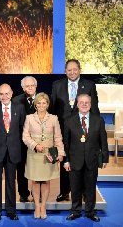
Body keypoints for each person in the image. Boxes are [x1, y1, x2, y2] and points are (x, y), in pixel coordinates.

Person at [50, 59, 100, 202]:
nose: (72, 72)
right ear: (65, 71)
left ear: (80, 70)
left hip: (83, 129)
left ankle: (84, 192)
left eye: (75, 69)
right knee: (65, 158)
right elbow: (53, 109)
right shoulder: (57, 85)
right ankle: (64, 191)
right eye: (69, 70)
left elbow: (94, 108)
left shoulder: (89, 85)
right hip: (63, 130)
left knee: (82, 160)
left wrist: (94, 129)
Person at [64, 94, 108, 222]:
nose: (84, 104)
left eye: (87, 102)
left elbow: (103, 141)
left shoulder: (98, 120)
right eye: (81, 102)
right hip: (74, 160)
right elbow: (66, 143)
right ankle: (75, 211)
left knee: (90, 188)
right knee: (75, 187)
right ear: (77, 104)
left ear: (90, 104)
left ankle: (90, 212)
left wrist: (104, 158)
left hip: (92, 160)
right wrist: (66, 160)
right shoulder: (69, 121)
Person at [22, 92, 65, 219]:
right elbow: (25, 136)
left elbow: (58, 138)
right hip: (34, 154)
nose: (41, 105)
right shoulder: (29, 118)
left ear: (47, 104)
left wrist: (61, 153)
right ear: (35, 104)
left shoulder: (54, 118)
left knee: (46, 181)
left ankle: (43, 206)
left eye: (44, 103)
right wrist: (35, 145)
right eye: (39, 103)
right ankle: (37, 206)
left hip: (48, 154)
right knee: (35, 181)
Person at [0, 84, 25, 221]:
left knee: (10, 182)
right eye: (1, 94)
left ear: (12, 93)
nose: (4, 96)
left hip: (13, 151)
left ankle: (11, 211)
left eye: (7, 93)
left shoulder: (19, 108)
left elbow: (22, 129)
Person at [12, 76, 38, 202]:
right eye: (27, 86)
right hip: (21, 141)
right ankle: (23, 193)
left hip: (39, 141)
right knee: (21, 168)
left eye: (32, 85)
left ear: (36, 86)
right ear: (23, 88)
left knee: (37, 167)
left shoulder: (43, 99)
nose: (30, 88)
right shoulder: (16, 100)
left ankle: (36, 193)